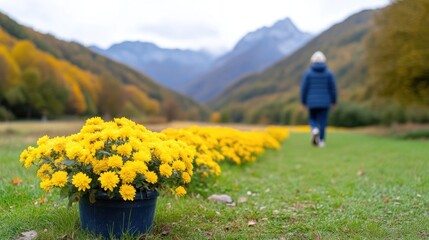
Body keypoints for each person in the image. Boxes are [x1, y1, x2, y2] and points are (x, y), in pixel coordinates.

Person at [300, 51, 337, 147]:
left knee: (312, 118)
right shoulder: (329, 73)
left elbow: (304, 88)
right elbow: (332, 88)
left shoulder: (308, 73)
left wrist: (303, 102)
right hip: (325, 102)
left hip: (311, 102)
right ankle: (321, 141)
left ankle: (314, 129)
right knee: (323, 121)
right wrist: (333, 101)